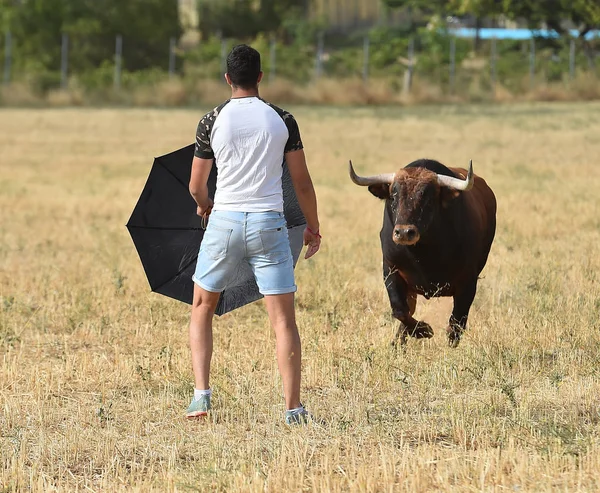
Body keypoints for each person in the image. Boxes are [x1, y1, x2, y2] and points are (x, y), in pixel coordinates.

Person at [186, 44, 321, 425]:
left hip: (224, 222)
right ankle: (293, 409)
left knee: (202, 308)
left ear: (228, 79)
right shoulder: (283, 119)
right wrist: (312, 226)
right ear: (260, 77)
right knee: (283, 322)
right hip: (270, 225)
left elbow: (196, 185)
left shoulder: (211, 120)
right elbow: (302, 182)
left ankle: (201, 398)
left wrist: (205, 205)